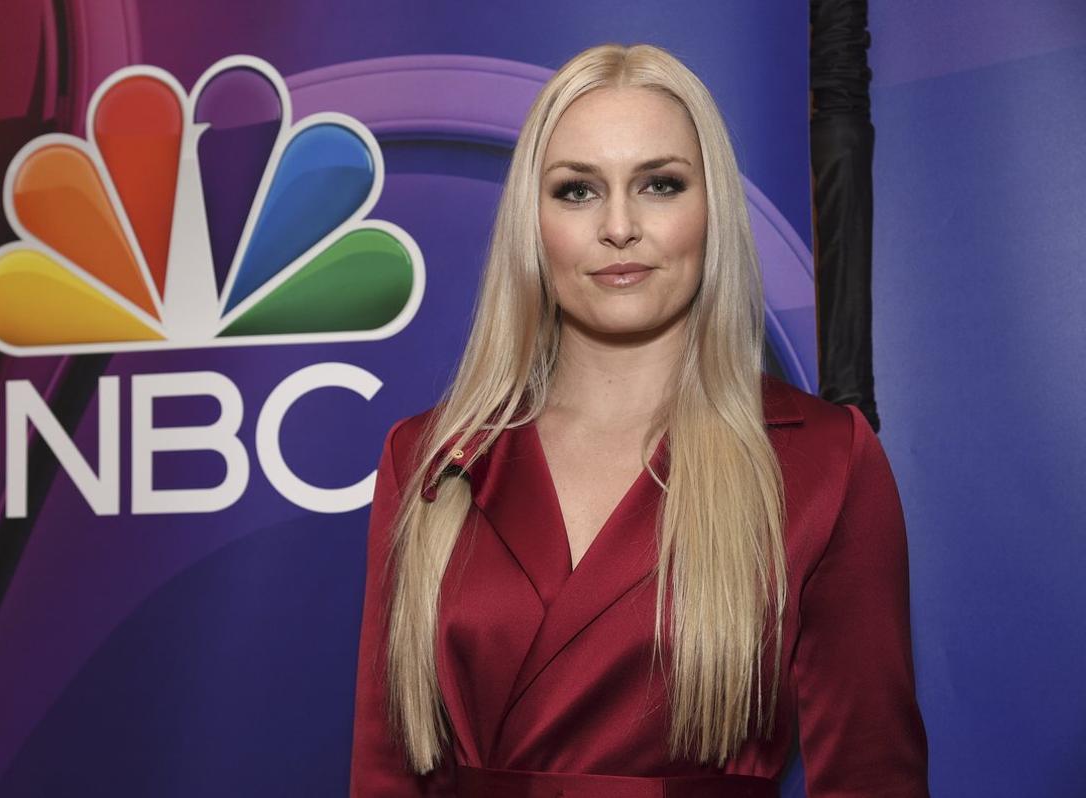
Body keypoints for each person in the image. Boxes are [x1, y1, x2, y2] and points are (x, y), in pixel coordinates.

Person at [350, 42, 929, 797]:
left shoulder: (824, 462)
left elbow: (869, 777)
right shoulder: (428, 460)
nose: (619, 226)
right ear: (533, 223)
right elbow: (387, 775)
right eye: (577, 191)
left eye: (659, 184)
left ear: (710, 210)